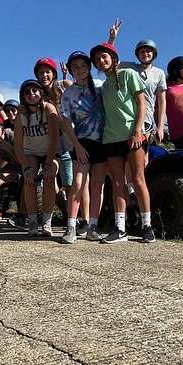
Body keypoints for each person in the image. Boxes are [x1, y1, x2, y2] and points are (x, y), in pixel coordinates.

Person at [90, 43, 156, 243]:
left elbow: (141, 102)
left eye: (104, 57)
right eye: (98, 59)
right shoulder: (104, 86)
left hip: (133, 135)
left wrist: (138, 129)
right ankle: (120, 228)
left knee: (138, 179)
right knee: (117, 183)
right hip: (111, 137)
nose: (102, 61)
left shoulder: (128, 74)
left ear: (113, 58)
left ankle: (147, 226)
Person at [59, 51, 108, 244]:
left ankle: (92, 227)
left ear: (89, 67)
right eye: (75, 67)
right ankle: (71, 226)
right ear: (70, 70)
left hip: (103, 141)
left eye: (83, 66)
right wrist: (77, 146)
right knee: (78, 184)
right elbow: (65, 122)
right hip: (81, 143)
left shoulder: (100, 87)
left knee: (98, 185)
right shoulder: (68, 94)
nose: (79, 70)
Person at [108, 19, 167, 143]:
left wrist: (160, 126)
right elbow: (109, 62)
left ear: (154, 54)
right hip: (128, 117)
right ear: (137, 54)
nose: (145, 53)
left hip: (146, 119)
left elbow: (161, 101)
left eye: (148, 51)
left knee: (143, 157)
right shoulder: (131, 67)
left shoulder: (159, 73)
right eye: (142, 51)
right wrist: (112, 39)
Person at [14, 78, 60, 237]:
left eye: (34, 90)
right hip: (30, 151)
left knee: (49, 178)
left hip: (50, 150)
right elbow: (18, 147)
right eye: (27, 92)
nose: (31, 94)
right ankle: (32, 220)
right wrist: (26, 168)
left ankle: (47, 221)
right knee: (29, 179)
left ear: (41, 92)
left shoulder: (49, 108)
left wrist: (48, 165)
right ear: (22, 96)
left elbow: (54, 140)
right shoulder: (20, 114)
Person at [34, 57, 73, 218]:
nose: (44, 75)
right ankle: (67, 214)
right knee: (51, 183)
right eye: (41, 72)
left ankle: (74, 218)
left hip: (68, 143)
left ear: (54, 74)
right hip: (49, 146)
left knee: (70, 183)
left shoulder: (64, 87)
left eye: (47, 72)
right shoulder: (36, 95)